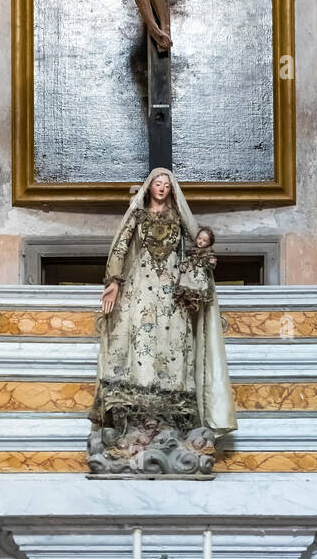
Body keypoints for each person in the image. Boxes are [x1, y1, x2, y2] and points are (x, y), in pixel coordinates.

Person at [92, 169, 236, 455]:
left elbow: (197, 246)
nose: (162, 188)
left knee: (174, 347)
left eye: (167, 185)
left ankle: (172, 423)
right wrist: (113, 282)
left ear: (172, 190)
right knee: (139, 346)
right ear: (149, 187)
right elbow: (120, 248)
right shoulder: (138, 215)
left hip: (173, 291)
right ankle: (135, 422)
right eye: (157, 184)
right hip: (140, 289)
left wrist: (200, 269)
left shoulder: (178, 218)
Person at [175, 225, 217, 313]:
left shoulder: (208, 253)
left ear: (209, 243)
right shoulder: (192, 250)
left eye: (204, 241)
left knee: (197, 289)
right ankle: (185, 302)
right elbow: (186, 258)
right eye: (199, 238)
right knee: (185, 285)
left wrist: (211, 262)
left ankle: (193, 304)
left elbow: (209, 267)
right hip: (188, 273)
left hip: (198, 275)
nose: (201, 241)